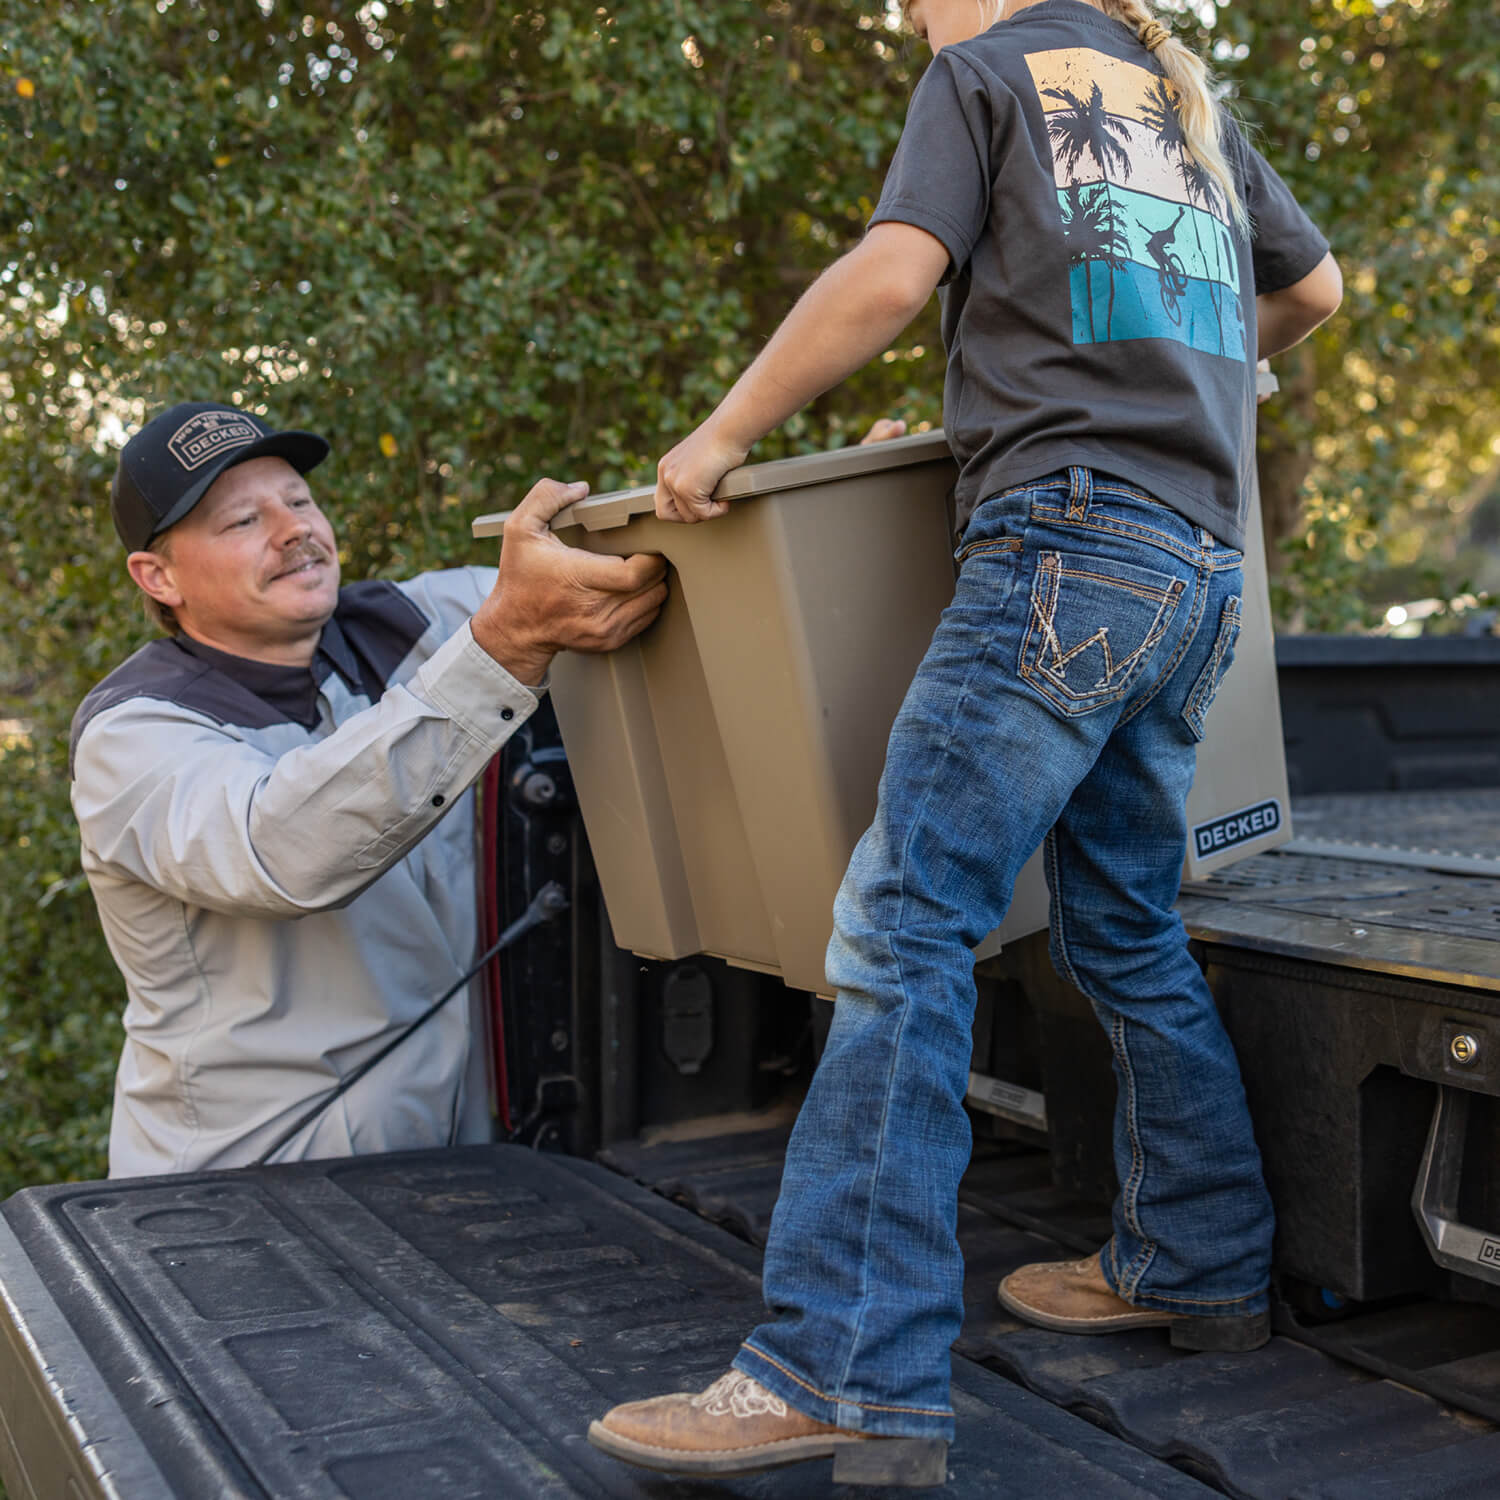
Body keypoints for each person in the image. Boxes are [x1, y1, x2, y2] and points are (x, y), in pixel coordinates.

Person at [589, 0, 1340, 1484]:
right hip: (1196, 573)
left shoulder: (981, 73)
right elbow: (1312, 290)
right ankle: (1195, 1259)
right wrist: (1121, 387)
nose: (903, 12)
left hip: (1065, 555)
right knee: (1123, 929)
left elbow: (892, 272)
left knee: (903, 924)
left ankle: (841, 1364)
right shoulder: (1170, 92)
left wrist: (721, 434)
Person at [71, 401, 666, 1177]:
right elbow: (281, 849)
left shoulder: (405, 624)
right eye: (242, 521)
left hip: (452, 1167)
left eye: (298, 500)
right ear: (159, 576)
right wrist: (505, 644)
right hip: (244, 1189)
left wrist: (808, 517)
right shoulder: (135, 734)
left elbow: (606, 584)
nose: (293, 530)